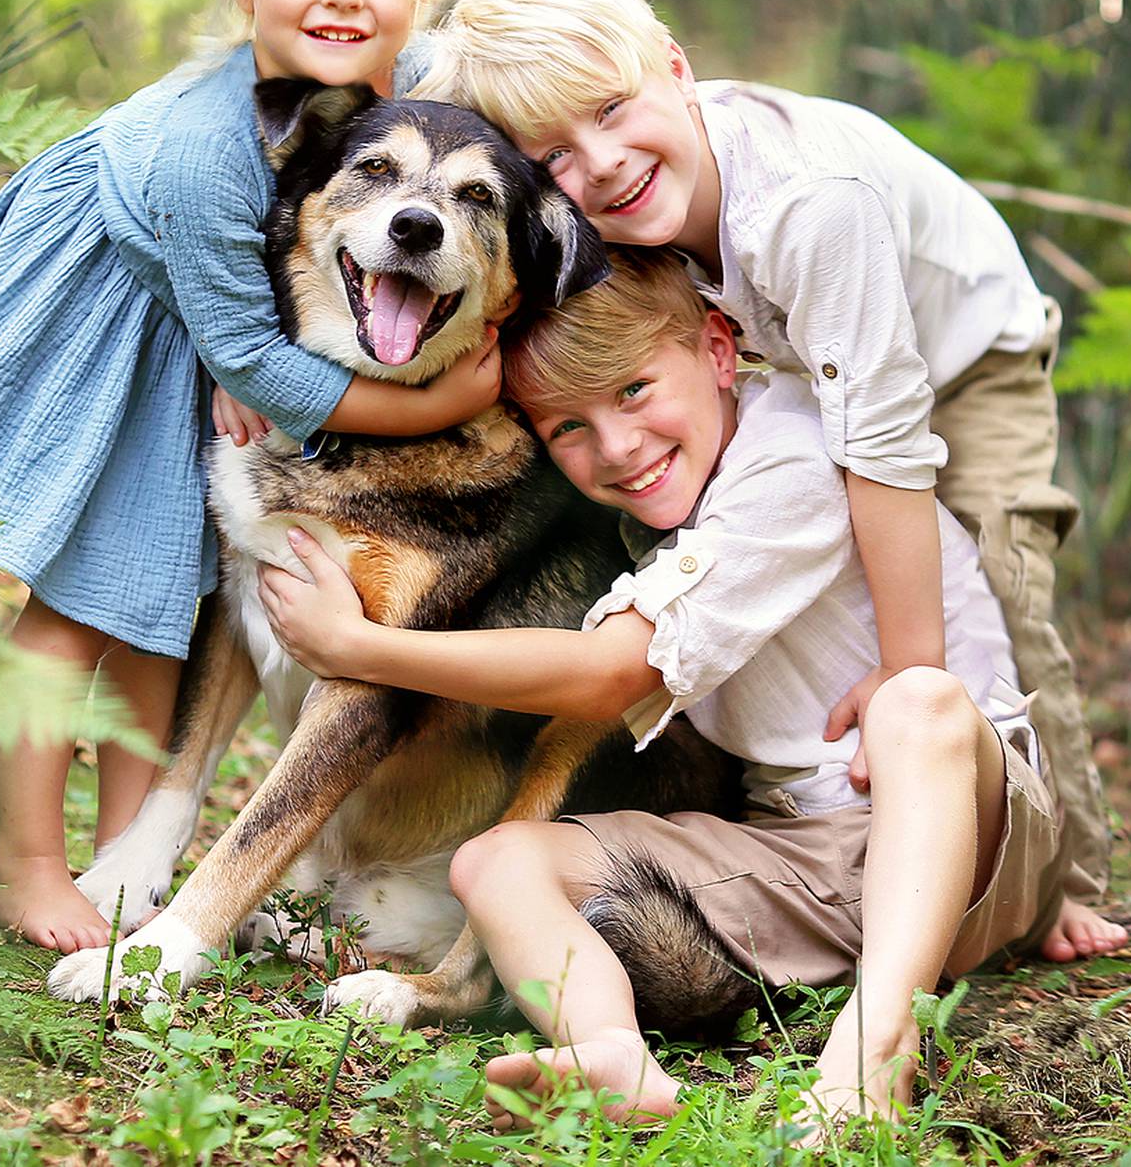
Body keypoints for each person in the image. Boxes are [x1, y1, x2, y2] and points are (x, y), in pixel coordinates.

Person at [414, 0, 1123, 964]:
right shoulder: (614, 221)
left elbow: (880, 444)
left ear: (675, 64)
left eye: (612, 109)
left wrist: (907, 674)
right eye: (554, 155)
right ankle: (798, 818)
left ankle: (1064, 878)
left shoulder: (805, 203)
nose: (600, 161)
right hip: (797, 346)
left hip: (961, 351)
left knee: (1002, 576)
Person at [259, 250, 1068, 1127]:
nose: (617, 446)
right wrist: (253, 379)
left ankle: (875, 1049)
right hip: (808, 857)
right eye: (567, 427)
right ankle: (610, 1051)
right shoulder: (646, 510)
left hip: (965, 828)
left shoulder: (792, 459)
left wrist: (361, 647)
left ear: (720, 349)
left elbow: (608, 674)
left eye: (635, 390)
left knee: (916, 701)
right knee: (497, 861)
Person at [0, 0, 498, 952]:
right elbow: (253, 359)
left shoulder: (410, 82)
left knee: (170, 596)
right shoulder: (198, 150)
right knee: (80, 596)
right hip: (113, 323)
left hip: (223, 317)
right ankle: (21, 863)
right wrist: (435, 406)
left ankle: (129, 860)